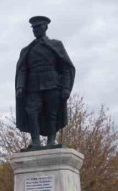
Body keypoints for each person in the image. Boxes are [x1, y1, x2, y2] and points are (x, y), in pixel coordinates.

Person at [15, 15, 75, 149]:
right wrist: (20, 86)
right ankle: (35, 141)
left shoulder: (56, 45)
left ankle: (51, 141)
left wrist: (66, 88)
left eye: (38, 27)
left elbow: (66, 67)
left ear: (45, 27)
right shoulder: (27, 49)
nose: (35, 30)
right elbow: (23, 69)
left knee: (51, 113)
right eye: (34, 28)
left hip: (52, 84)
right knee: (32, 112)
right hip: (33, 86)